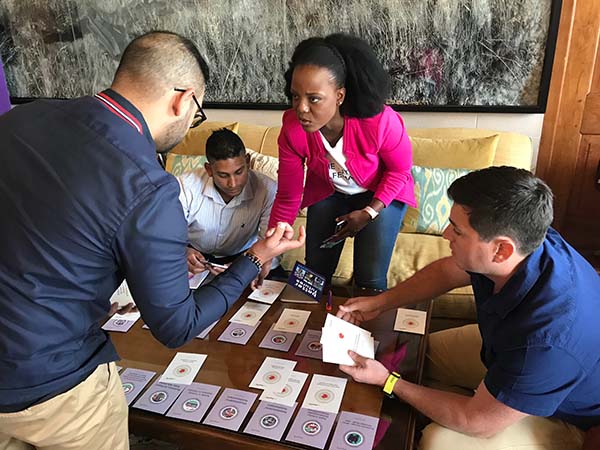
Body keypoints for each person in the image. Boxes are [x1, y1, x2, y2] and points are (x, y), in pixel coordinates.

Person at [0, 31, 304, 450]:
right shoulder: (149, 185)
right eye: (195, 114)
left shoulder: (19, 119)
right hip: (55, 389)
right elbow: (178, 326)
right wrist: (255, 257)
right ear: (184, 99)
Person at [336, 166, 600, 450]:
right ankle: (467, 396)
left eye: (458, 231)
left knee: (438, 440)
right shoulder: (529, 238)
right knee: (416, 353)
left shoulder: (546, 340)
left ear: (501, 250)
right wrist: (380, 302)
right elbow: (448, 272)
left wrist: (389, 382)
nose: (446, 234)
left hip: (565, 412)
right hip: (509, 352)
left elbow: (477, 421)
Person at [268, 33, 416, 291]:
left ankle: (365, 331)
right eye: (295, 96)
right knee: (313, 275)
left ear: (339, 96)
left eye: (314, 98)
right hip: (330, 193)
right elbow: (288, 195)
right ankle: (308, 328)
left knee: (369, 279)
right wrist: (268, 252)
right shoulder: (292, 128)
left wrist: (369, 212)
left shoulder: (380, 122)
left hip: (379, 196)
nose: (301, 108)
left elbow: (400, 170)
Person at [179, 128, 283, 286]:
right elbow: (162, 237)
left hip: (246, 257)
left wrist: (246, 266)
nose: (233, 183)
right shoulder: (185, 187)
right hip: (195, 260)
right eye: (223, 175)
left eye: (239, 172)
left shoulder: (268, 190)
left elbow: (271, 246)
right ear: (209, 170)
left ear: (247, 162)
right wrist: (182, 252)